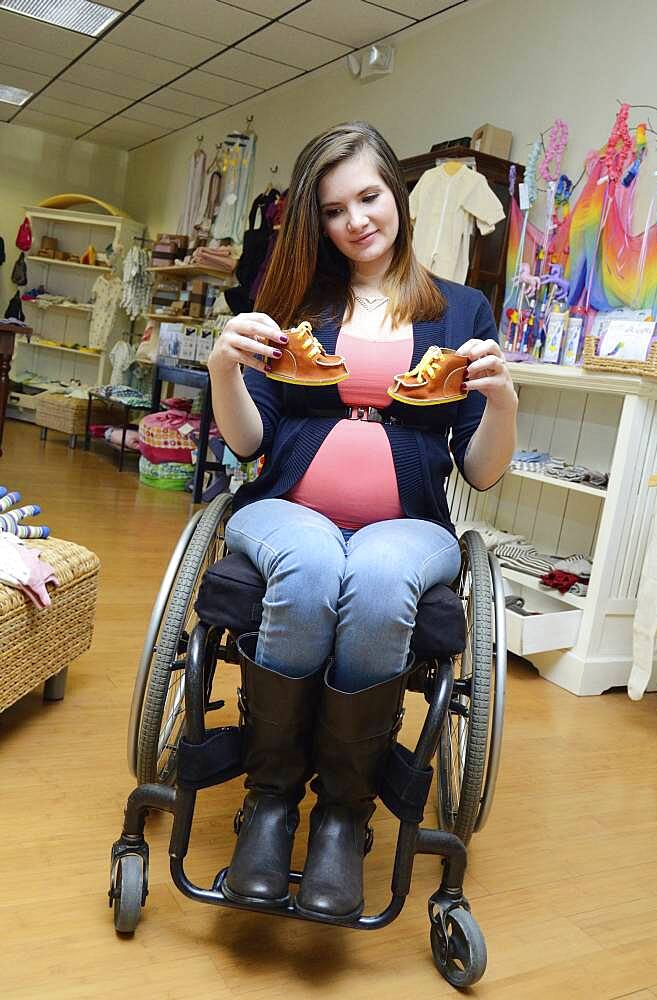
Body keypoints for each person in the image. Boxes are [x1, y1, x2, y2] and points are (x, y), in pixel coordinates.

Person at [207, 121, 517, 920]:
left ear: (399, 194)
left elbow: (480, 471)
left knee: (379, 580)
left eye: (370, 197)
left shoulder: (462, 309)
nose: (357, 221)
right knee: (310, 567)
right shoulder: (294, 305)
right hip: (285, 507)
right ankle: (271, 802)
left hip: (407, 522)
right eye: (336, 209)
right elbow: (249, 443)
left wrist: (503, 401)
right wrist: (223, 367)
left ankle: (345, 815)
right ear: (319, 220)